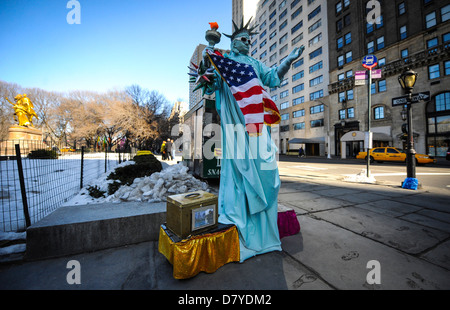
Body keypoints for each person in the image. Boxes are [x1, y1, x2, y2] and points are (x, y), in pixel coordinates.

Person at [199, 19, 304, 262]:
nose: (248, 43)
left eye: (249, 40)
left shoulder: (255, 64)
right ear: (233, 43)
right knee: (239, 171)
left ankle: (263, 223)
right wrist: (207, 69)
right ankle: (242, 220)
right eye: (243, 39)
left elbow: (273, 77)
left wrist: (288, 60)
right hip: (235, 123)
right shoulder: (223, 61)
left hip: (257, 125)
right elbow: (210, 84)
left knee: (269, 168)